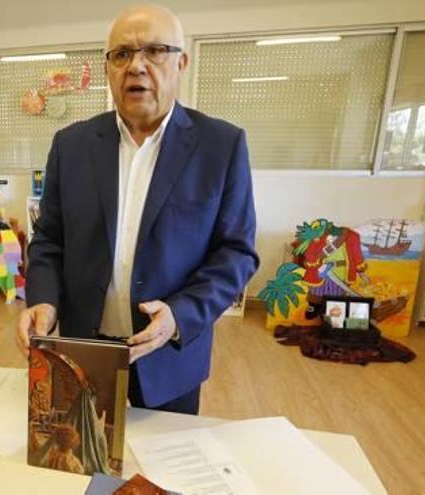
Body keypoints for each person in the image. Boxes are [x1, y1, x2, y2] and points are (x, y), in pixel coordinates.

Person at [16, 5, 259, 415]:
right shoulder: (71, 145)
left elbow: (236, 252)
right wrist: (42, 299)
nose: (137, 66)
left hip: (168, 357)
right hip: (83, 352)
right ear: (108, 68)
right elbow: (50, 239)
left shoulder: (221, 146)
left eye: (155, 51)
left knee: (158, 476)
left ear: (181, 63)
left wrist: (180, 316)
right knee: (79, 468)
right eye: (122, 54)